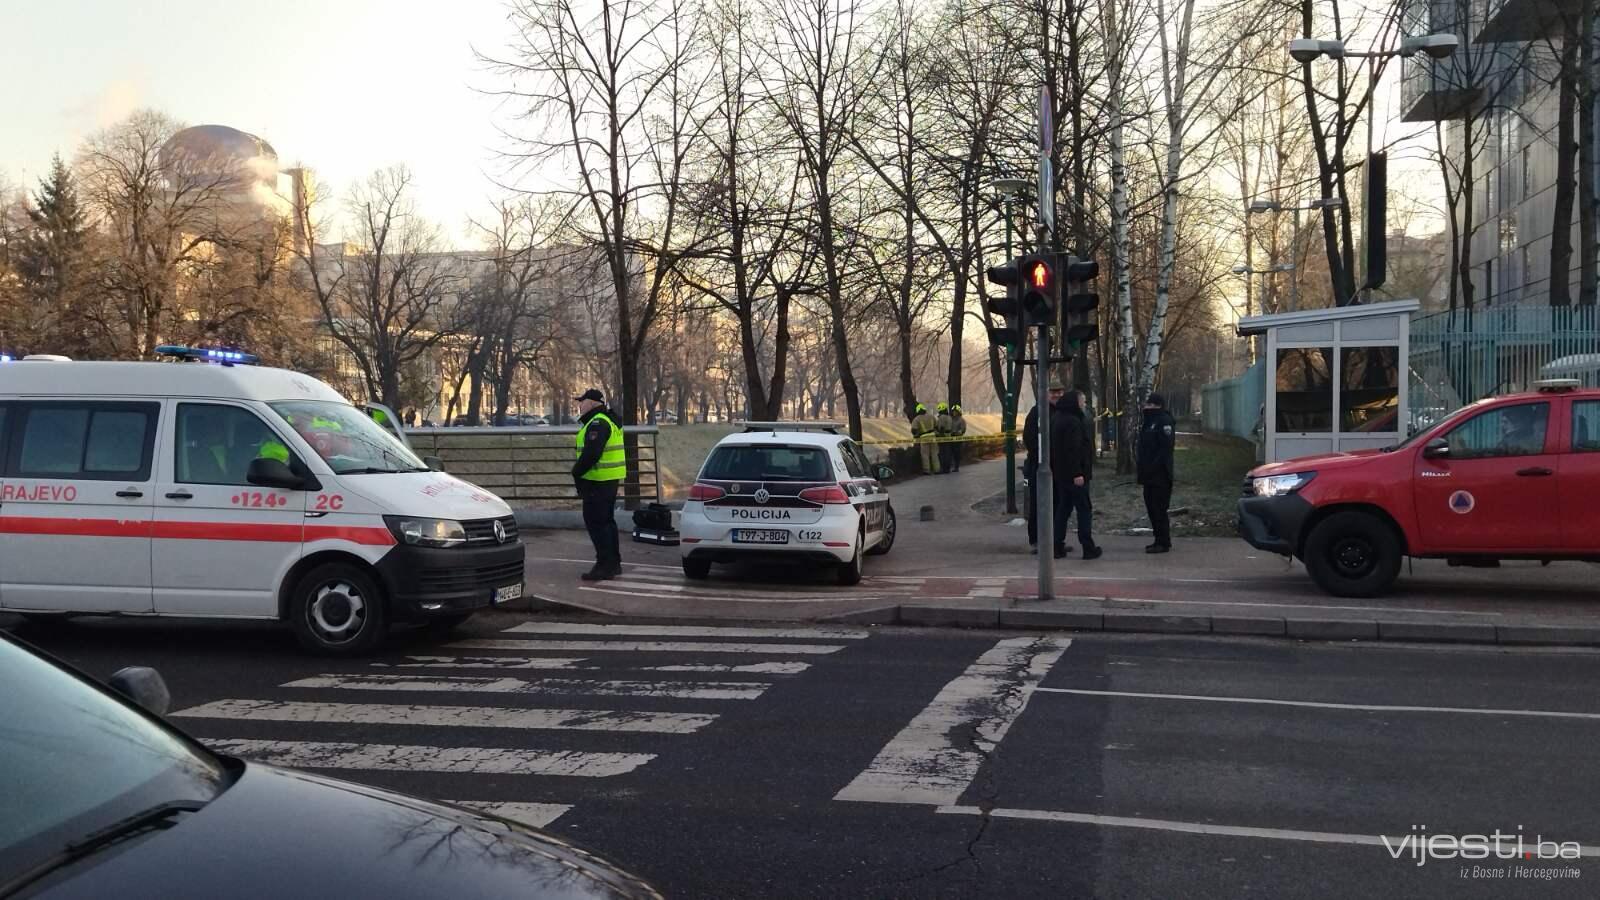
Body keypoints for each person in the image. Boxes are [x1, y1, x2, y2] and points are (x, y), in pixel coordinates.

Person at [572, 388, 626, 581]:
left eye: (582, 401)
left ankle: (604, 565)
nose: (580, 405)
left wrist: (576, 472)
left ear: (593, 403)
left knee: (597, 523)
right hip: (607, 481)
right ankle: (613, 563)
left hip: (597, 481)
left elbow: (592, 454)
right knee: (607, 523)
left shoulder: (597, 423)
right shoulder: (607, 421)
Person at [1051, 390, 1100, 560]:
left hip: (1061, 474)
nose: (1084, 404)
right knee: (1084, 509)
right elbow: (1073, 449)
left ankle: (1056, 545)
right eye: (1083, 401)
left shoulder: (1058, 418)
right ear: (1075, 403)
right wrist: (1078, 473)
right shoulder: (1073, 421)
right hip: (1075, 475)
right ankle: (1088, 546)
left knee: (1063, 509)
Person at [1023, 380, 1066, 553]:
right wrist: (1042, 458)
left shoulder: (1062, 412)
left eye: (1060, 392)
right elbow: (1030, 438)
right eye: (1053, 392)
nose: (1057, 395)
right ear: (1046, 394)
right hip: (1039, 467)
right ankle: (1036, 541)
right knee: (1039, 505)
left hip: (1059, 467)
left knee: (1057, 504)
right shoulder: (1037, 412)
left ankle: (1054, 541)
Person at [1137, 392, 1177, 554]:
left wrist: (1152, 467)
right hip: (1149, 474)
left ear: (1156, 405)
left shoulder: (1164, 421)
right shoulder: (1148, 422)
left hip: (1160, 474)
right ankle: (1158, 539)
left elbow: (1165, 449)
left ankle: (1163, 541)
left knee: (1159, 508)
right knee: (1151, 507)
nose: (1146, 407)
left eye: (1149, 404)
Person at [910, 402, 940, 474]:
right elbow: (937, 426)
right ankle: (937, 469)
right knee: (934, 454)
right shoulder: (931, 416)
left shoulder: (917, 419)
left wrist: (916, 435)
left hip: (924, 438)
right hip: (933, 437)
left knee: (925, 455)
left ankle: (927, 470)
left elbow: (914, 430)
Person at [935, 402, 956, 474]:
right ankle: (948, 468)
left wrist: (938, 433)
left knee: (942, 453)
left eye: (939, 409)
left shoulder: (942, 417)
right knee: (948, 453)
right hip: (949, 437)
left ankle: (943, 468)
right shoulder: (949, 417)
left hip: (943, 437)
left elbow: (941, 427)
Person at [946, 404, 968, 472]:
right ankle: (949, 466)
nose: (954, 413)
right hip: (950, 438)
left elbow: (963, 430)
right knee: (950, 453)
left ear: (958, 412)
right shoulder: (950, 419)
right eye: (953, 411)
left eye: (955, 411)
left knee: (956, 453)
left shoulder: (961, 420)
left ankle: (956, 466)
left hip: (958, 439)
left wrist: (957, 432)